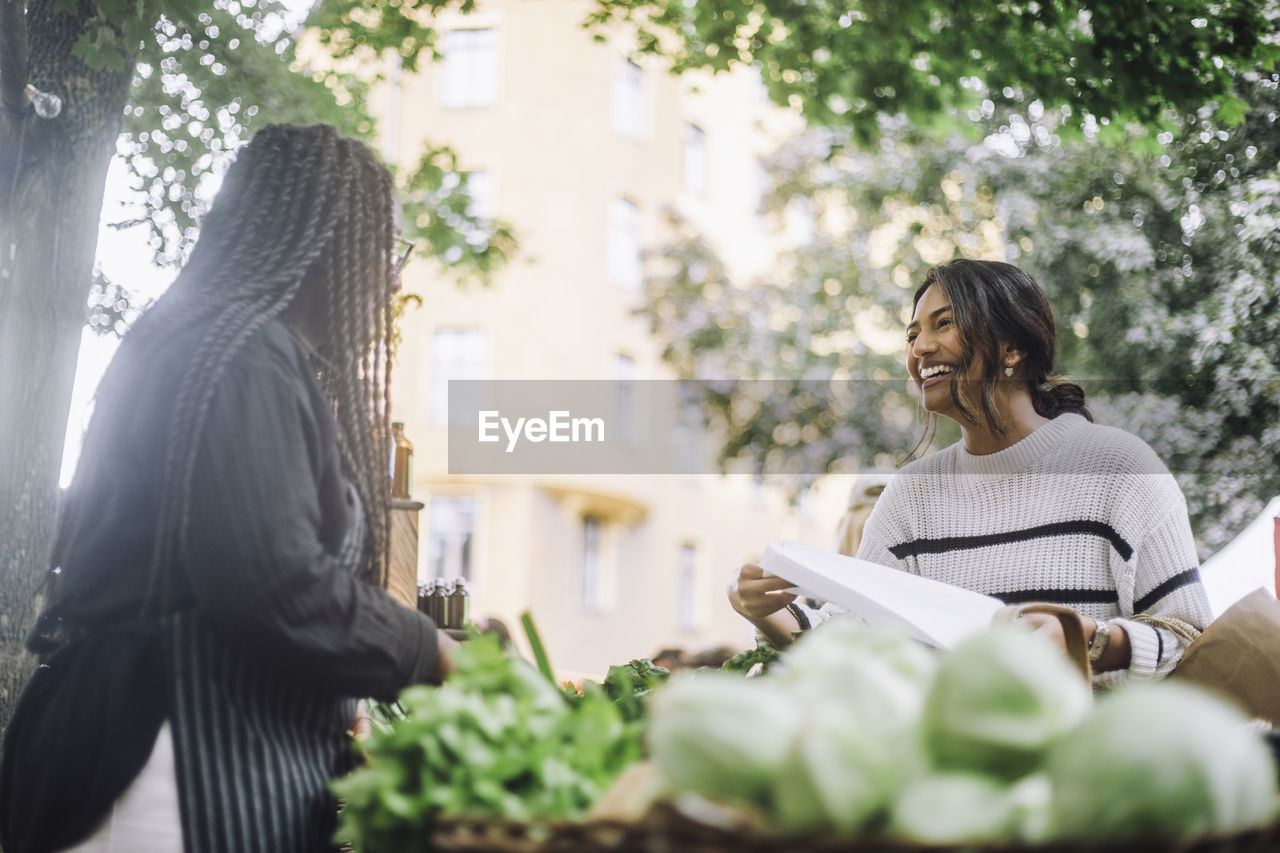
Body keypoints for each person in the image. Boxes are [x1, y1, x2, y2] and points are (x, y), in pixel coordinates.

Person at [0, 124, 459, 853]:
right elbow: (274, 583)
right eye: (386, 248)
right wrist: (429, 650)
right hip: (160, 762)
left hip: (185, 747)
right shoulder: (241, 352)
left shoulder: (221, 342)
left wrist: (332, 700)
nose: (395, 277)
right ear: (325, 239)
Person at [729, 259, 1212, 688]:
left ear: (1012, 349)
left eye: (944, 324)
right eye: (913, 334)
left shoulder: (1119, 467)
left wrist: (1089, 640)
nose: (920, 348)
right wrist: (770, 612)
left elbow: (1191, 639)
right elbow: (856, 637)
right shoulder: (911, 496)